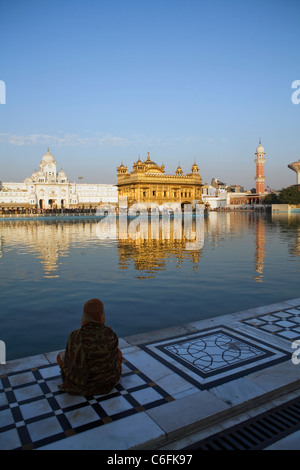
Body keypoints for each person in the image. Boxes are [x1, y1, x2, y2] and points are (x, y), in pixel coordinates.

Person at [57, 298, 122, 396]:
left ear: (84, 315)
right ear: (102, 314)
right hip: (108, 383)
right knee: (119, 353)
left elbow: (69, 361)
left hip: (83, 384)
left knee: (60, 357)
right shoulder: (110, 333)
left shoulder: (75, 335)